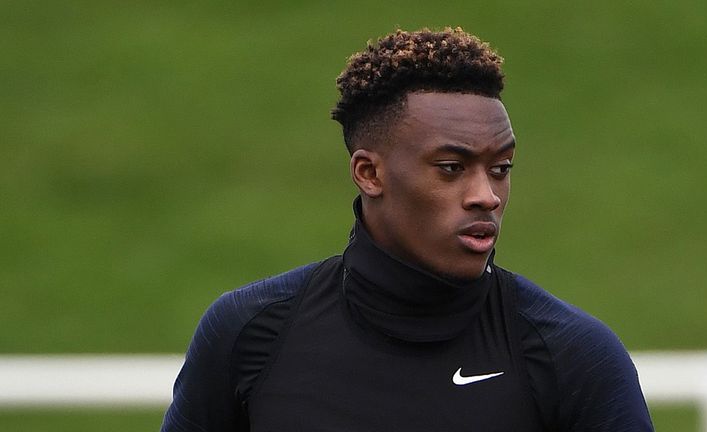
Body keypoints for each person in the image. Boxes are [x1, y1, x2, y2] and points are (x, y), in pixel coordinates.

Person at [161, 27, 654, 431]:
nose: (487, 194)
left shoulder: (574, 354)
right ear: (369, 174)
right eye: (450, 167)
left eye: (500, 168)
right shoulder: (249, 333)